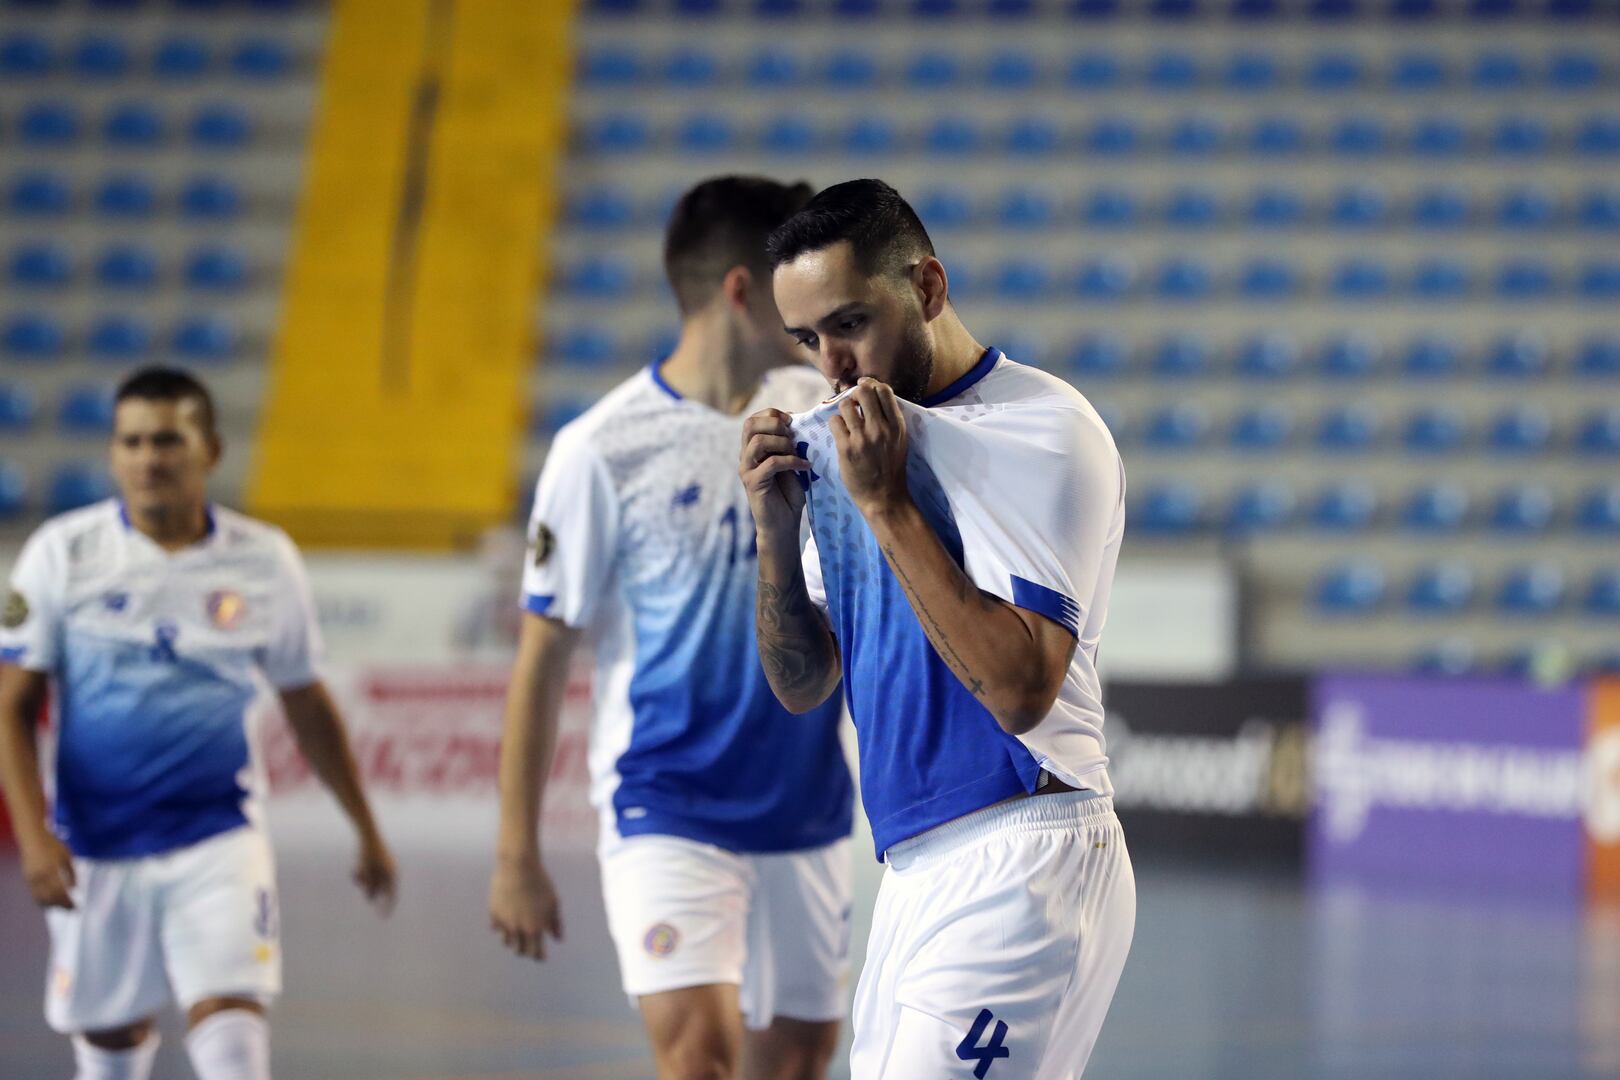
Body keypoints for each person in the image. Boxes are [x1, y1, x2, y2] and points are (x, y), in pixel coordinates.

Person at [739, 179, 1136, 1078]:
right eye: (807, 340)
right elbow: (803, 684)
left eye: (849, 324)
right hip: (912, 872)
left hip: (1026, 852)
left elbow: (1022, 692)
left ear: (925, 287)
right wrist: (775, 537)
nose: (832, 365)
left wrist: (886, 504)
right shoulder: (847, 442)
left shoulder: (1043, 431)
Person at [489, 175, 855, 1080]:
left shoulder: (822, 413)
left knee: (798, 1060)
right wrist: (516, 853)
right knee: (698, 1058)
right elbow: (543, 660)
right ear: (741, 290)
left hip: (806, 801)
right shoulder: (601, 449)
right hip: (668, 800)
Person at [0, 367, 397, 1080]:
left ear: (210, 449)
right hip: (97, 845)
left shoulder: (264, 559)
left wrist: (365, 827)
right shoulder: (63, 553)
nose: (148, 459)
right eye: (131, 442)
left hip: (219, 835)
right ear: (113, 454)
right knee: (113, 1040)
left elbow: (306, 703)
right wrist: (33, 838)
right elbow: (11, 706)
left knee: (232, 1019)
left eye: (167, 440)